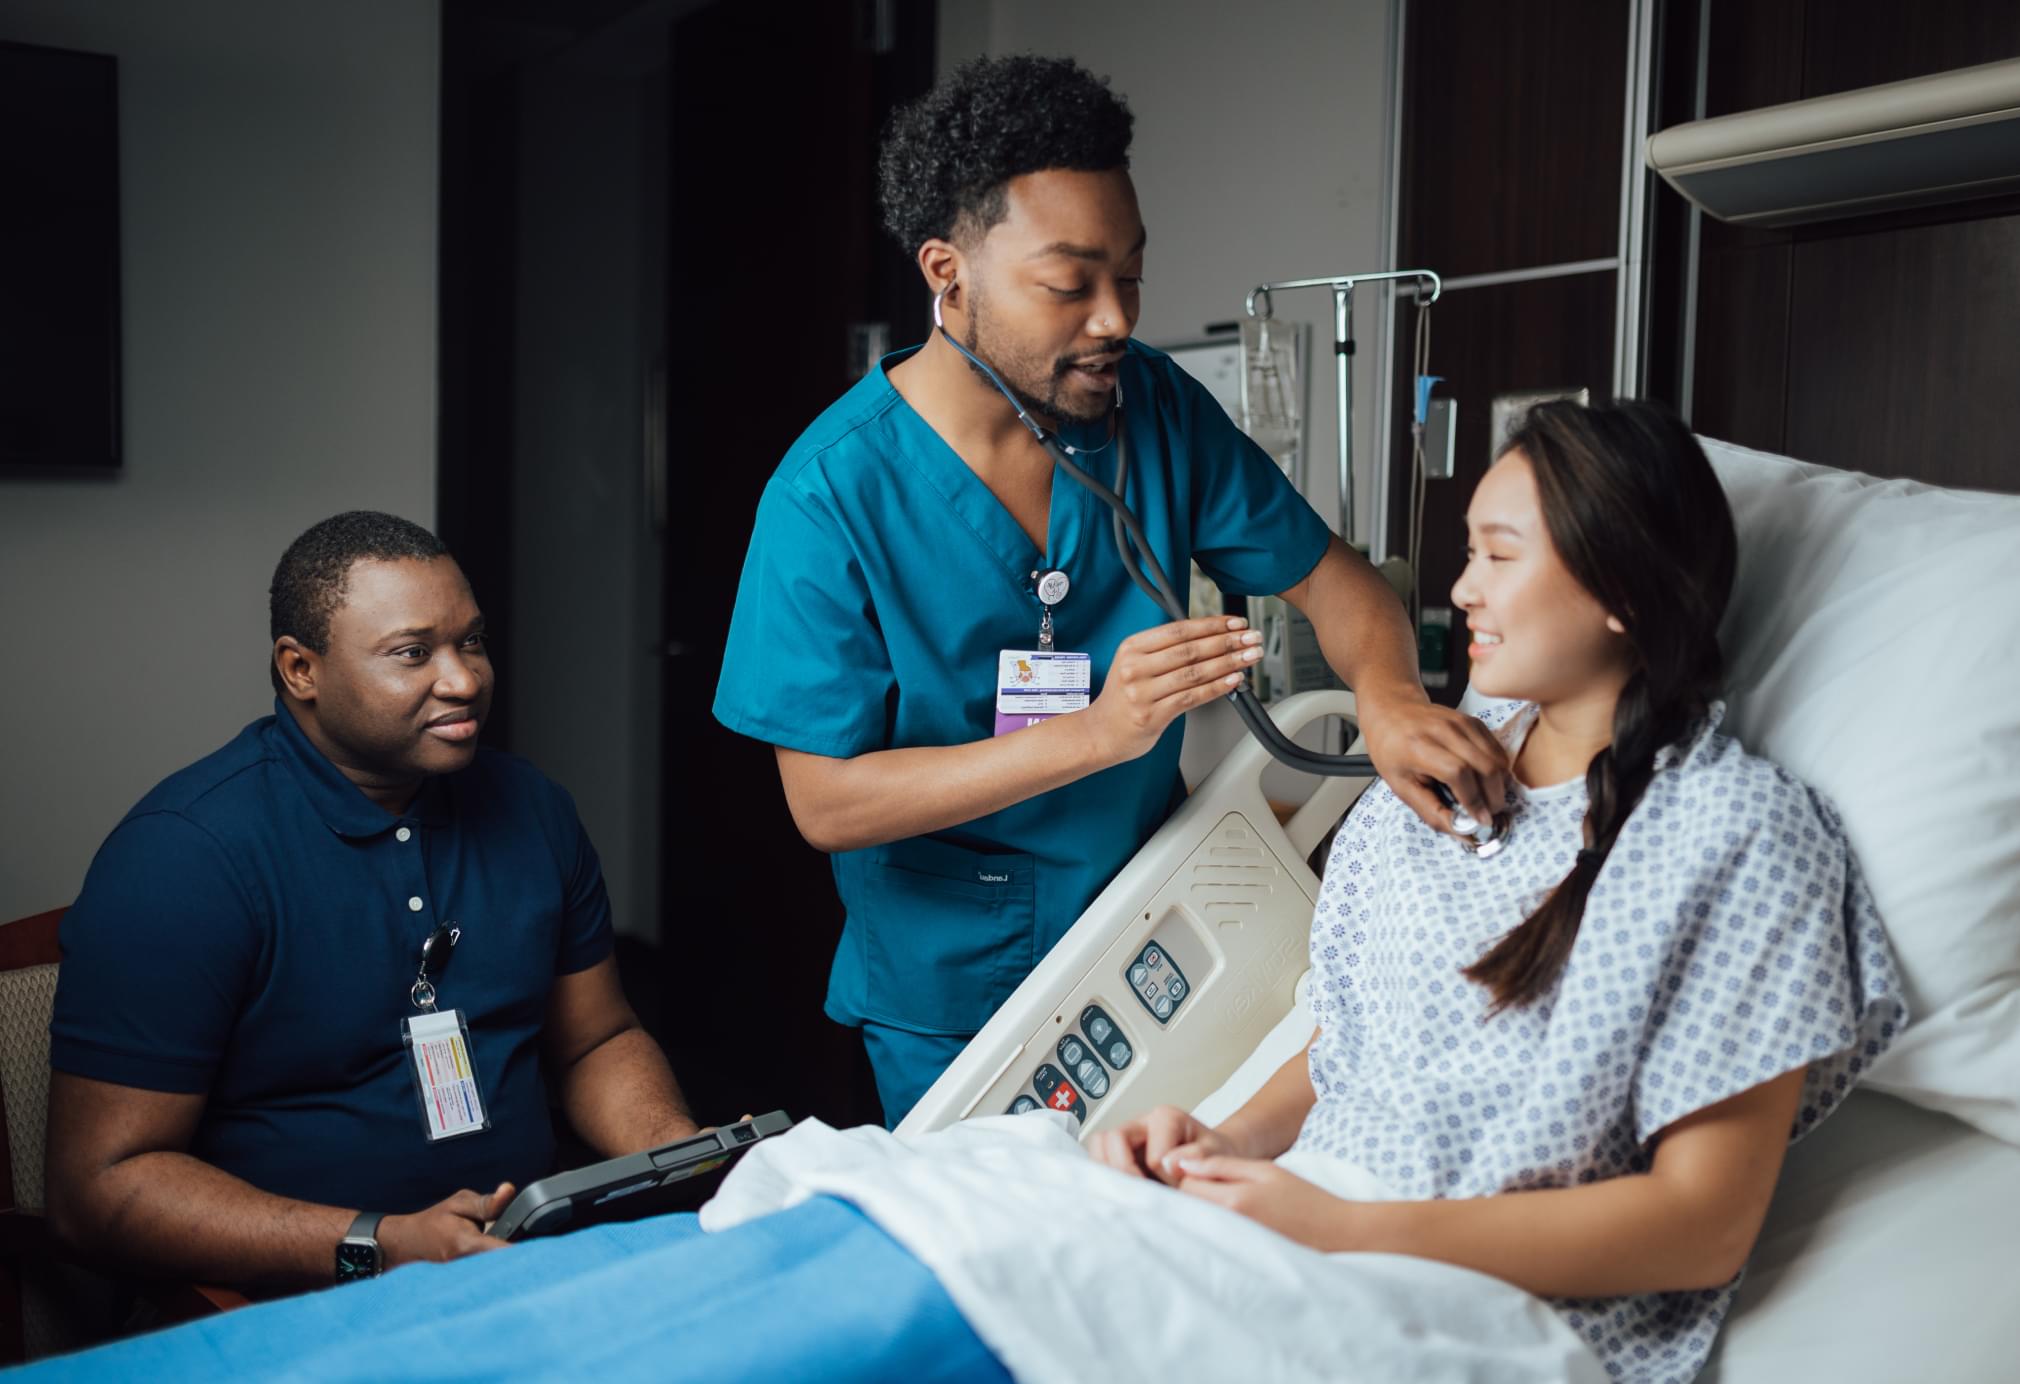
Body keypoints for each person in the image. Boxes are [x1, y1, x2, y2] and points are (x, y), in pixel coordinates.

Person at [713, 54, 1510, 1125]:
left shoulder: (1154, 410)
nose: (1114, 319)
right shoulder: (829, 495)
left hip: (1166, 918)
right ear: (946, 272)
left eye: (1129, 275)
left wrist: (1393, 703)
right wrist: (1097, 732)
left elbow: (1336, 581)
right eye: (1068, 282)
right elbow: (826, 800)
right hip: (956, 993)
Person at [1087, 399, 1907, 1382]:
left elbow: (1702, 1226)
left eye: (1498, 555)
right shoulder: (1440, 782)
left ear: (1621, 587)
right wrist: (1213, 1147)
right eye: (1466, 552)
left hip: (1465, 1308)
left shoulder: (1737, 835)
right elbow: (1352, 1047)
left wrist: (1349, 1230)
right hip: (1301, 1226)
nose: (1462, 590)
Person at [46, 512, 701, 1294]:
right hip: (283, 1296)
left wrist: (680, 1158)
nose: (464, 679)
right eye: (413, 653)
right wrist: (380, 1244)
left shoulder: (532, 809)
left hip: (520, 1262)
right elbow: (99, 1188)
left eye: (474, 641)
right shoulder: (184, 856)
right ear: (300, 670)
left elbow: (596, 1042)